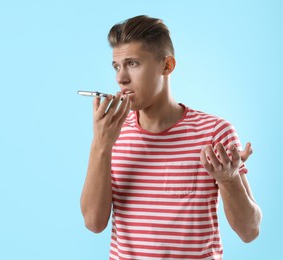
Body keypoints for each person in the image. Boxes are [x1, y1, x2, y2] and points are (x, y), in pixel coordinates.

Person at [80, 15, 262, 260]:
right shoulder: (112, 133)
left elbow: (249, 231)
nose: (120, 79)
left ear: (167, 66)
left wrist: (229, 180)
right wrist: (101, 144)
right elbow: (93, 223)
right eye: (117, 66)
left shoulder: (216, 132)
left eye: (132, 63)